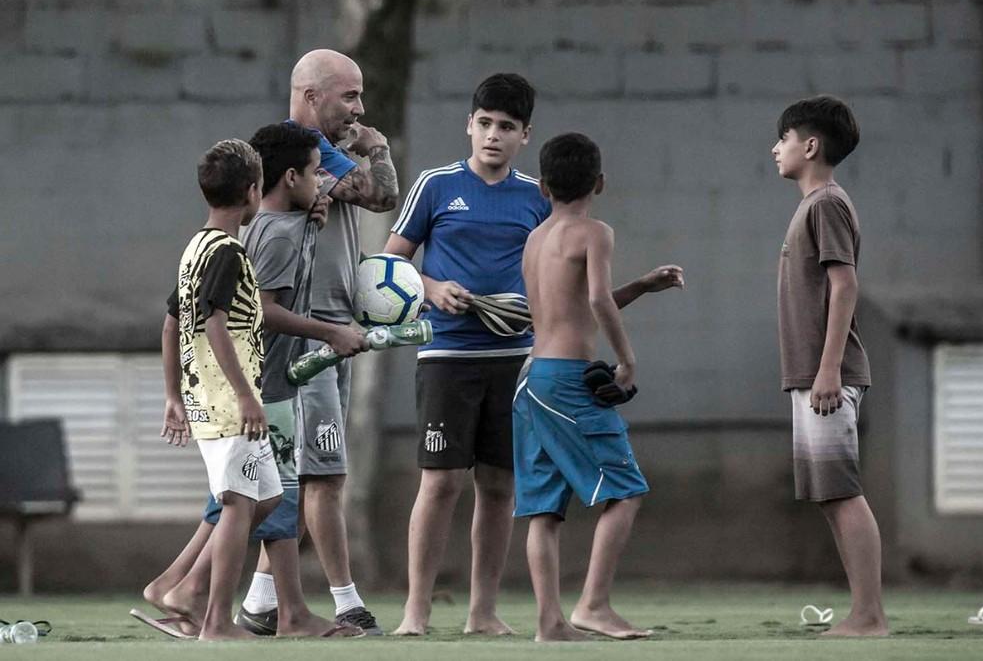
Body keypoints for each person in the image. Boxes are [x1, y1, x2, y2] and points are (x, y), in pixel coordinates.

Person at [385, 74, 683, 636]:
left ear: (525, 136)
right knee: (441, 482)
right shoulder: (434, 184)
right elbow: (389, 264)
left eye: (506, 127)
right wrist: (431, 288)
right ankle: (415, 612)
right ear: (468, 125)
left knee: (499, 487)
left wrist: (633, 289)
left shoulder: (536, 197)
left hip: (519, 359)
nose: (493, 136)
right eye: (484, 124)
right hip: (447, 354)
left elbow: (572, 296)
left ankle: (483, 612)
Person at [234, 48, 399, 635]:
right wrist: (375, 145)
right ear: (311, 97)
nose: (359, 109)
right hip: (308, 336)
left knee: (297, 474)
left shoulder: (306, 156)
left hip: (334, 327)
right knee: (319, 475)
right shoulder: (305, 157)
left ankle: (256, 602)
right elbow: (382, 194)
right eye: (348, 96)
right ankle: (347, 600)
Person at [514, 132, 668, 642]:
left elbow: (572, 307)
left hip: (532, 379)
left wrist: (642, 287)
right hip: (566, 383)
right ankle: (594, 605)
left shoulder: (536, 239)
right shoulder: (595, 232)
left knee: (543, 508)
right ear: (599, 182)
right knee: (625, 491)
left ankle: (548, 624)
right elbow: (598, 301)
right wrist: (626, 359)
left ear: (542, 187)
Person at [771, 95, 887, 637]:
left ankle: (869, 616)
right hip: (812, 375)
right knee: (829, 496)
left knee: (842, 492)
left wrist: (828, 371)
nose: (776, 148)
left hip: (828, 377)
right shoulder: (811, 206)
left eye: (784, 138)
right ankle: (860, 611)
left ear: (810, 145)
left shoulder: (826, 204)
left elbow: (845, 287)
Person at [161, 139, 282, 641]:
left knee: (268, 498)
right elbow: (212, 323)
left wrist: (172, 394)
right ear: (253, 192)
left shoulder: (196, 247)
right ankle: (215, 622)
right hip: (228, 400)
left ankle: (187, 590)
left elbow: (171, 324)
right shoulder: (229, 253)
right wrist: (246, 395)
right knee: (237, 502)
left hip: (208, 396)